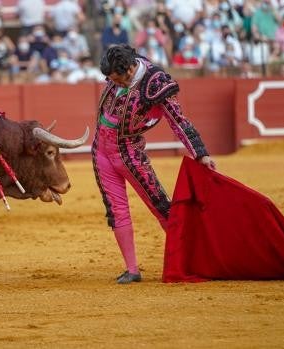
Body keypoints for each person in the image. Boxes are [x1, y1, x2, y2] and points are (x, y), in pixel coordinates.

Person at [92, 44, 215, 284]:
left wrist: (200, 153)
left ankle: (194, 260)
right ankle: (132, 269)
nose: (112, 83)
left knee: (160, 205)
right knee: (116, 210)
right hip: (101, 151)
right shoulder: (117, 72)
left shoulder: (156, 82)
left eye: (116, 80)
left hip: (129, 152)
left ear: (128, 71)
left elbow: (178, 120)